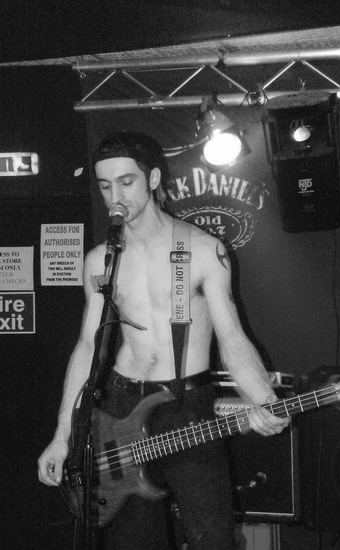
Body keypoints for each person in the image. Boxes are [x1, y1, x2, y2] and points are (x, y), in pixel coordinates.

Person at [37, 131, 290, 550]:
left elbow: (231, 336)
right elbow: (87, 346)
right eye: (105, 185)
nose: (115, 196)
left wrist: (261, 397)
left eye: (126, 182)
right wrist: (62, 436)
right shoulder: (101, 259)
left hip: (186, 406)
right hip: (120, 407)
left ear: (153, 179)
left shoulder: (203, 250)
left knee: (213, 540)